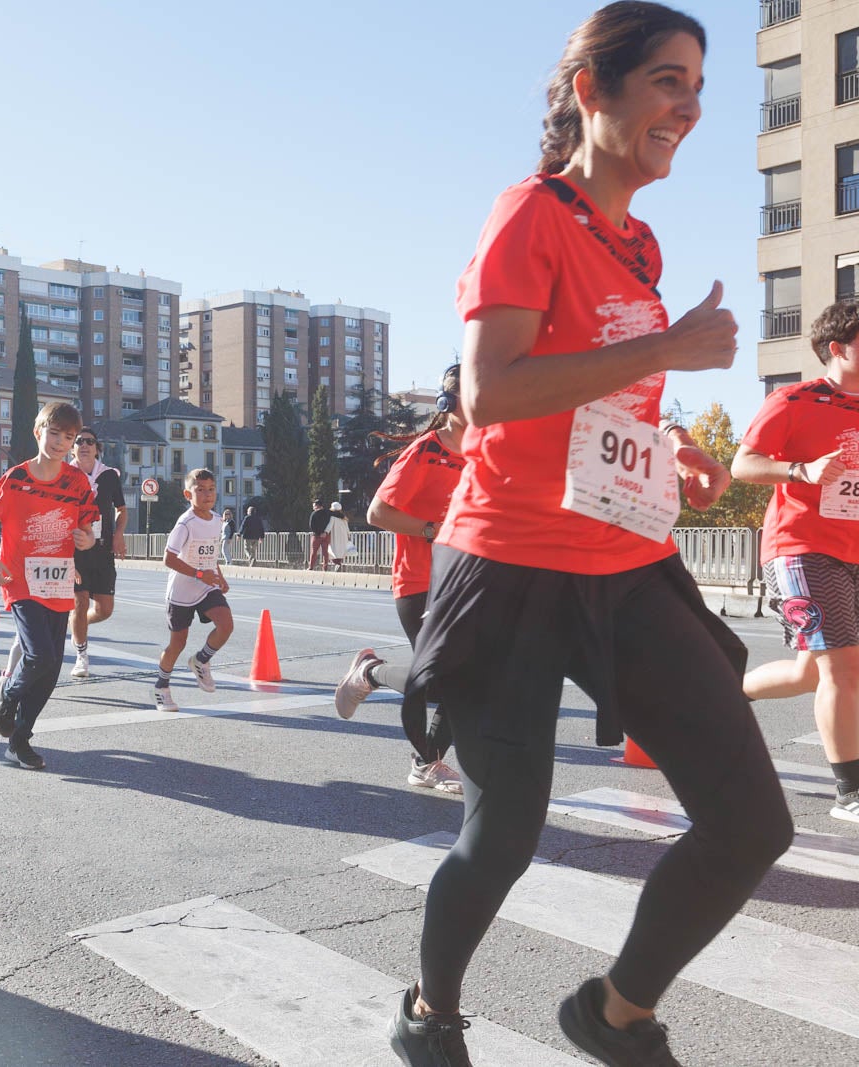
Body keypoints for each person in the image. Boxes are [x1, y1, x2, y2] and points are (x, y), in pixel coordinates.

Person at [386, 9, 793, 1066]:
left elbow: (597, 406)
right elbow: (491, 393)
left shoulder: (637, 241)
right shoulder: (529, 213)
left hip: (625, 564)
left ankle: (614, 1009)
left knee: (751, 821)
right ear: (591, 90)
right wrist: (669, 346)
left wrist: (666, 451)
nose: (688, 106)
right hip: (509, 566)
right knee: (503, 833)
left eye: (696, 85)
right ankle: (429, 1011)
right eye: (665, 81)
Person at [733, 299, 859, 824]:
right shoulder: (795, 398)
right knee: (844, 669)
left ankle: (723, 695)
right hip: (802, 546)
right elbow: (743, 464)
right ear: (838, 349)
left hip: (852, 550)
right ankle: (850, 793)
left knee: (814, 672)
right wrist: (803, 470)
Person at [334, 363, 466, 795]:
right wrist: (433, 530)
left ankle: (427, 763)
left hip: (464, 582)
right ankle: (371, 673)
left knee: (469, 681)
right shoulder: (426, 451)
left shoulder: (484, 454)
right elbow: (377, 514)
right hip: (420, 581)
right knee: (443, 680)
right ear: (451, 403)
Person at [0, 401, 98, 770]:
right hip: (20, 580)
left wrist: (86, 542)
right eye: (56, 433)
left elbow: (89, 528)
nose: (62, 442)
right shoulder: (17, 478)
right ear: (38, 432)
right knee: (39, 655)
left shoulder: (77, 482)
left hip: (59, 580)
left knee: (52, 667)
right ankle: (8, 695)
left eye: (70, 437)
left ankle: (19, 741)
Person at [152, 469, 233, 712]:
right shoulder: (185, 523)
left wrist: (219, 576)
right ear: (188, 494)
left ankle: (201, 660)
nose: (207, 495)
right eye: (200, 490)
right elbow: (168, 559)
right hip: (182, 590)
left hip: (206, 585)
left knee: (226, 624)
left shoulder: (218, 520)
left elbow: (211, 551)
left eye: (211, 489)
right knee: (177, 643)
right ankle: (161, 686)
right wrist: (199, 574)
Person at [68, 427, 128, 678]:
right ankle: (81, 655)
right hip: (76, 551)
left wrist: (118, 535)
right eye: (79, 441)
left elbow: (122, 510)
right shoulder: (65, 475)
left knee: (105, 610)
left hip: (102, 550)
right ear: (73, 448)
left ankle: (77, 624)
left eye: (89, 441)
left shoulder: (109, 476)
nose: (84, 445)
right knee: (80, 603)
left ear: (97, 448)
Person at [325, 502, 350, 571]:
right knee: (340, 552)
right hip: (343, 537)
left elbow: (329, 527)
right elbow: (347, 529)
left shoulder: (332, 517)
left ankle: (337, 565)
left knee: (333, 552)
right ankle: (338, 564)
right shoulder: (344, 518)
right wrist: (348, 536)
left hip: (335, 537)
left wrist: (325, 532)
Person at [307, 500, 331, 571]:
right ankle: (325, 568)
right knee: (325, 552)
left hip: (316, 536)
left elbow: (311, 525)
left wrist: (318, 533)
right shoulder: (327, 513)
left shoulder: (314, 514)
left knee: (314, 552)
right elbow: (329, 523)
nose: (313, 508)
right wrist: (325, 533)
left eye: (314, 506)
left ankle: (311, 567)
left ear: (317, 506)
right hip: (325, 535)